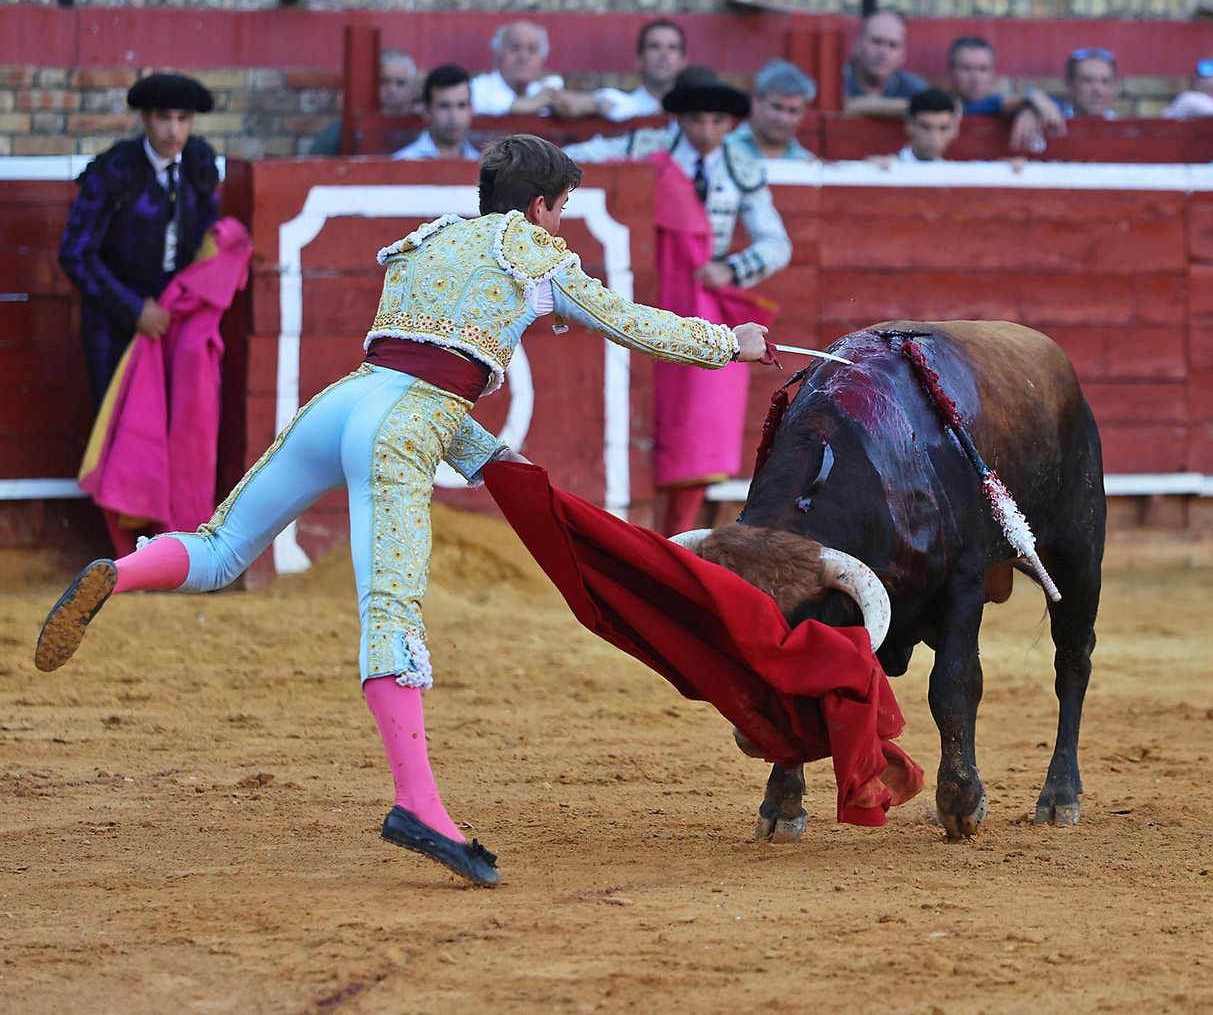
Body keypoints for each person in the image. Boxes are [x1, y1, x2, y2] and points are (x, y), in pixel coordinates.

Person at [33, 134, 772, 890]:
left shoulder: (429, 241)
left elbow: (423, 361)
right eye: (562, 211)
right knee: (390, 612)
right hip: (404, 428)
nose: (561, 227)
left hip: (344, 401)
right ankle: (418, 805)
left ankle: (118, 573)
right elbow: (629, 325)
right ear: (541, 204)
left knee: (221, 548)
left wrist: (487, 456)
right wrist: (730, 342)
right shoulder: (534, 252)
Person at [564, 74, 792, 535]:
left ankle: (673, 531)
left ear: (730, 124)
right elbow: (572, 162)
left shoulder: (742, 166)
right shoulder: (644, 147)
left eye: (716, 121)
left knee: (697, 415)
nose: (706, 132)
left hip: (701, 293)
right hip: (645, 288)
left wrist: (731, 270)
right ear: (679, 119)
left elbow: (777, 244)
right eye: (696, 120)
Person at [58, 73, 221, 408]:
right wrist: (133, 309)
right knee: (116, 422)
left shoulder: (199, 164)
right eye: (164, 117)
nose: (174, 131)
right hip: (114, 323)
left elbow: (210, 240)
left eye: (183, 119)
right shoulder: (114, 170)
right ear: (145, 118)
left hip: (177, 318)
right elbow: (75, 253)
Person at [551, 19, 686, 122]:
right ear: (639, 61)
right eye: (654, 46)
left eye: (672, 47)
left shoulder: (693, 113)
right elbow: (611, 102)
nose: (663, 54)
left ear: (683, 62)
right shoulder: (622, 101)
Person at [1009, 47, 1119, 153]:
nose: (1097, 89)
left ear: (1114, 87)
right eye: (1087, 80)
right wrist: (1029, 109)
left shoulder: (1123, 129)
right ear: (1069, 84)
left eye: (1105, 81)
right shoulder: (1048, 114)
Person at [309, 49, 417, 157]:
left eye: (401, 83)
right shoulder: (343, 131)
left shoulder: (420, 130)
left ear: (413, 88)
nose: (392, 90)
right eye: (383, 81)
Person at [842, 10, 929, 120]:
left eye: (893, 45)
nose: (883, 53)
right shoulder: (834, 82)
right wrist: (910, 106)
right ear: (857, 45)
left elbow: (932, 111)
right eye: (876, 42)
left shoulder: (914, 87)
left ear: (903, 55)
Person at [728, 59, 817, 161]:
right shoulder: (723, 151)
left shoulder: (805, 162)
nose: (784, 119)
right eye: (777, 108)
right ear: (756, 102)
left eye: (793, 111)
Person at [470, 21, 564, 116]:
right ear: (498, 53)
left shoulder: (543, 89)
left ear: (542, 58)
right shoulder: (476, 88)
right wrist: (534, 103)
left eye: (532, 49)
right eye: (514, 48)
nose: (523, 57)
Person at [393, 66, 480, 162]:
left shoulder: (480, 163)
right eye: (444, 106)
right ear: (426, 111)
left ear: (471, 110)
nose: (454, 116)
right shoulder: (404, 161)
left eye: (462, 105)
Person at [890, 88, 961, 163]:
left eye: (943, 128)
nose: (934, 138)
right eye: (926, 127)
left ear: (954, 128)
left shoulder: (952, 171)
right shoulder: (887, 168)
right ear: (910, 124)